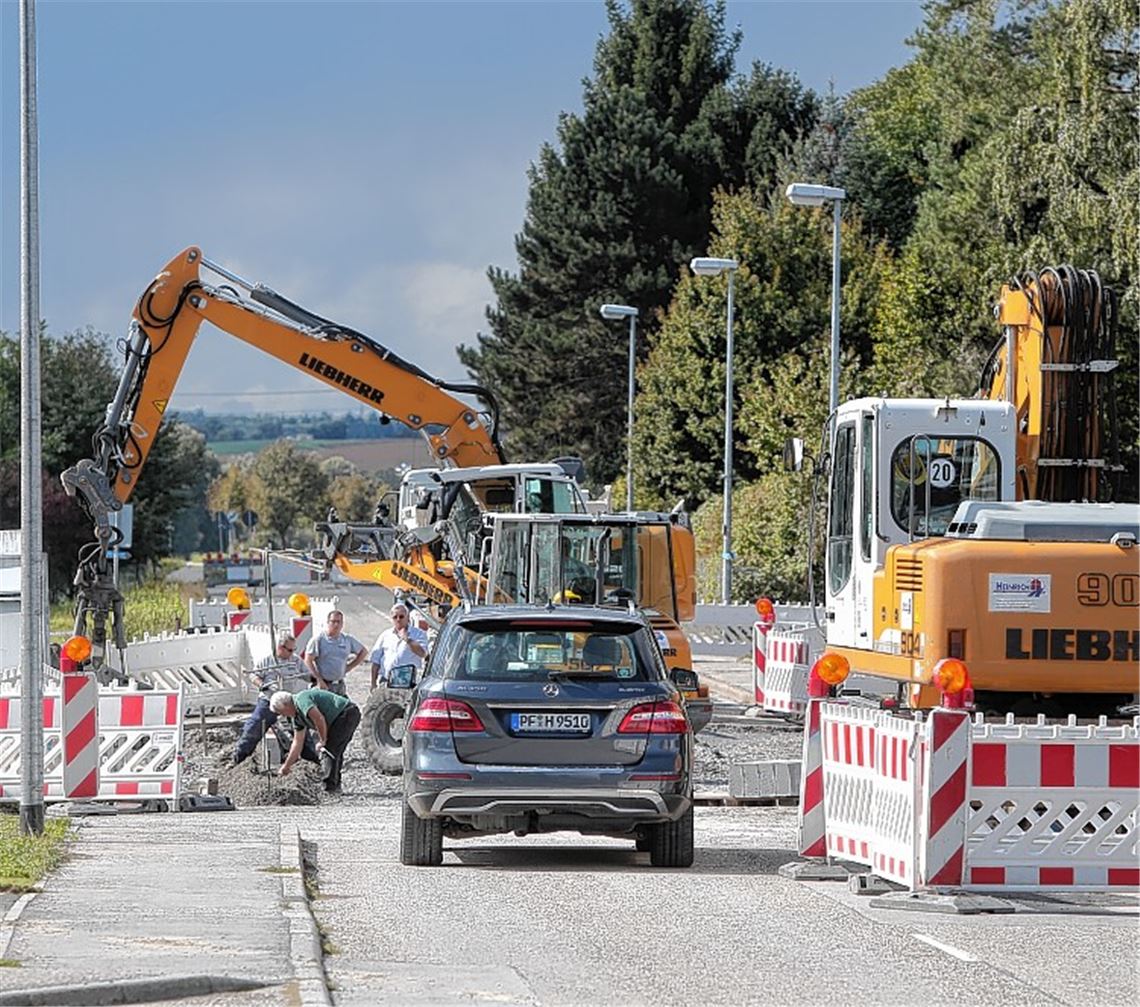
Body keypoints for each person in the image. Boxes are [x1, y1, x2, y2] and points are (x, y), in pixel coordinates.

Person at [232, 633, 318, 767]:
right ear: (280, 647)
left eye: (293, 650)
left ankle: (312, 762)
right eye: (289, 650)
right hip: (269, 700)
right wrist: (263, 685)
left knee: (301, 730)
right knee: (254, 727)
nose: (292, 653)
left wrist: (314, 679)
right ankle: (239, 759)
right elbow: (254, 676)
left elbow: (306, 675)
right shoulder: (267, 660)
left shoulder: (295, 661)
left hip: (289, 701)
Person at [270, 687, 361, 793]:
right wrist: (286, 766)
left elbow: (319, 718)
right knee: (334, 751)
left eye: (281, 712)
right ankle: (334, 786)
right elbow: (297, 743)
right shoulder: (296, 718)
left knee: (329, 750)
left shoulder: (301, 700)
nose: (283, 715)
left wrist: (323, 740)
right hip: (339, 718)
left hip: (346, 713)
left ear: (286, 705)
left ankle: (329, 788)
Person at [303, 609, 367, 696]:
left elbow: (363, 652)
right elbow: (308, 660)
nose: (336, 624)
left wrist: (349, 667)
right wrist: (318, 680)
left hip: (339, 684)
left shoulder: (347, 639)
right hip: (324, 684)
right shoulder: (319, 640)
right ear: (328, 622)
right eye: (333, 621)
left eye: (338, 622)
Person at [369, 602, 429, 689]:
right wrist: (373, 683)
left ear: (408, 618)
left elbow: (422, 653)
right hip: (386, 681)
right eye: (395, 617)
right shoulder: (385, 635)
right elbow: (376, 661)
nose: (398, 619)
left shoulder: (419, 634)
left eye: (401, 617)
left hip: (407, 683)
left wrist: (407, 640)